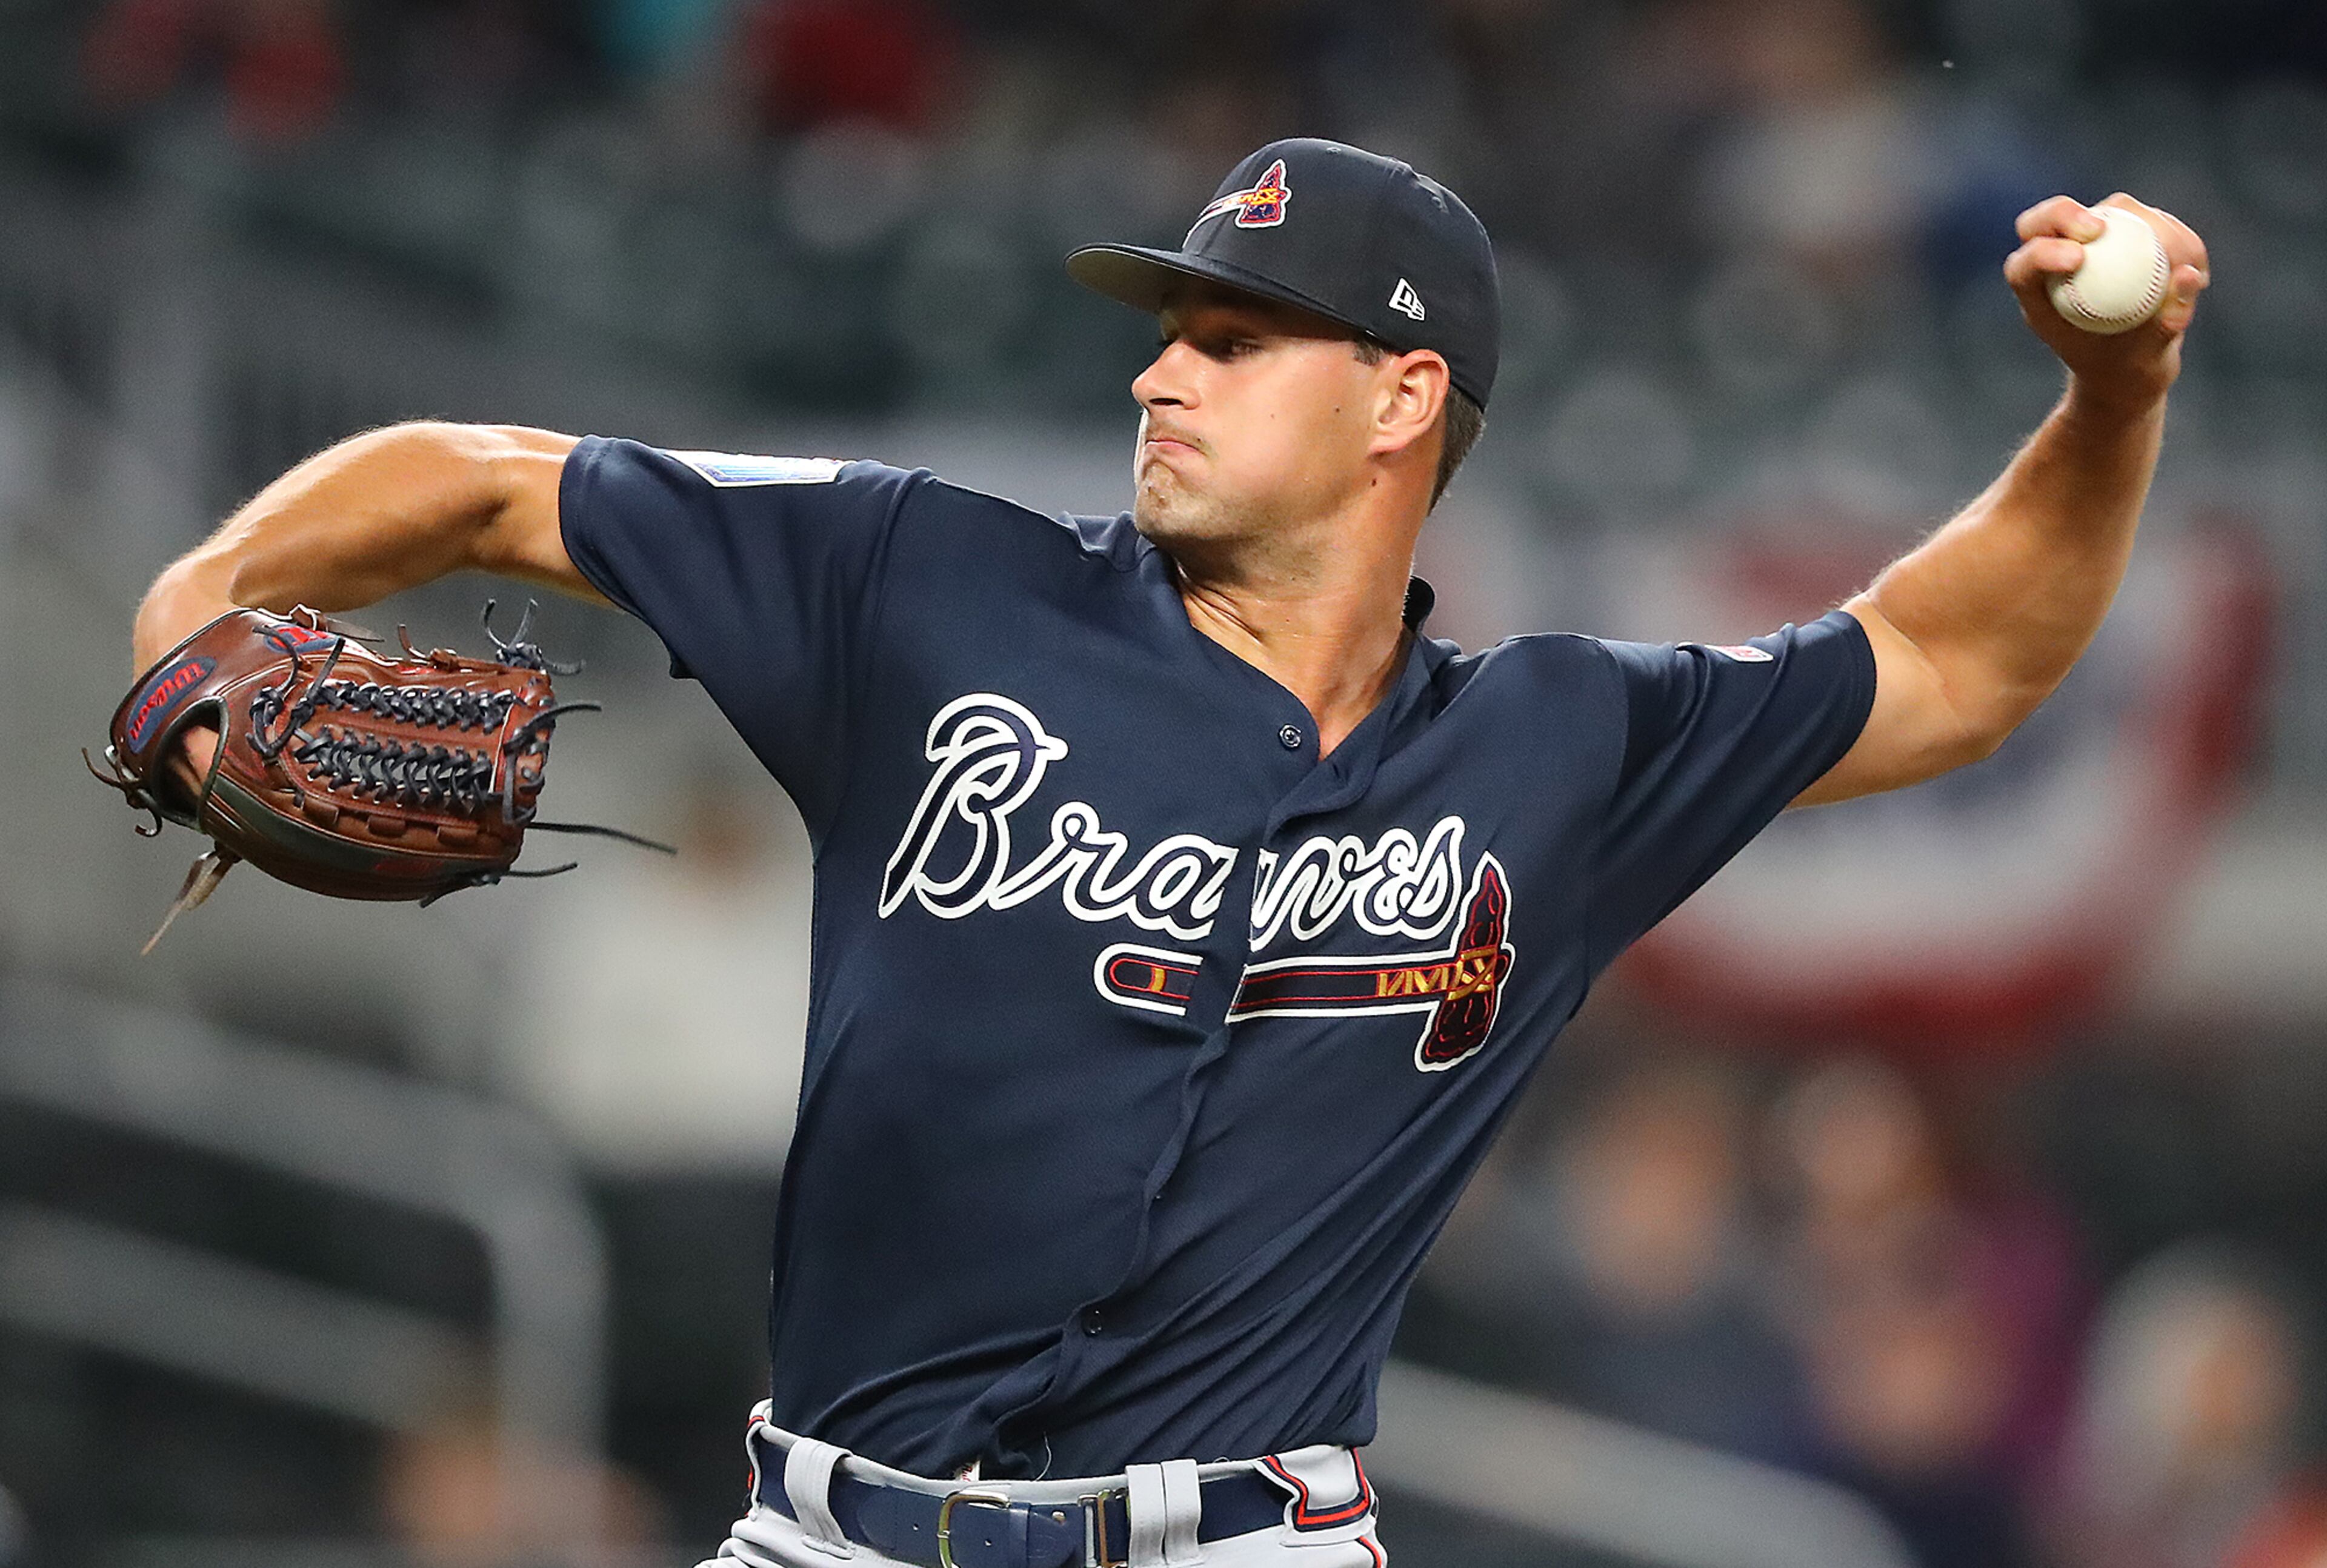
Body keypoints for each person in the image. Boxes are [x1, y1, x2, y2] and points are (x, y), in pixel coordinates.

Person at [129, 139, 2208, 1566]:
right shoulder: (920, 586)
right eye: (1169, 325)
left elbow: (1949, 657)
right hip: (840, 1519)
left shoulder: (1559, 746)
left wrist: (2115, 394)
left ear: (1404, 396)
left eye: (1232, 337)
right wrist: (195, 611)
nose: (1158, 368)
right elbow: (483, 482)